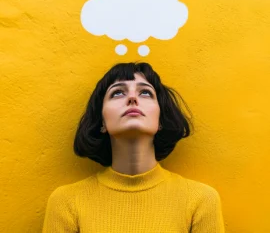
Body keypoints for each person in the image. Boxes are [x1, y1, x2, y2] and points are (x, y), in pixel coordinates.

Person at [42, 61, 225, 232]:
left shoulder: (200, 200)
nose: (132, 98)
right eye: (117, 93)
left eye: (145, 92)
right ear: (102, 122)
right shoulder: (66, 202)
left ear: (161, 119)